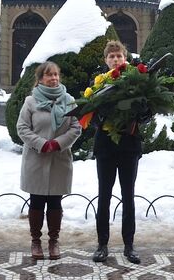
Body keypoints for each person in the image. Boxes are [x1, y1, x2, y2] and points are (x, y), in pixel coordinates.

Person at [16, 61, 81, 260]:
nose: (53, 78)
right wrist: (41, 144)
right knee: (36, 202)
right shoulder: (31, 102)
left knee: (55, 202)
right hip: (36, 159)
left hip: (59, 159)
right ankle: (35, 241)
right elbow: (22, 127)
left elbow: (76, 128)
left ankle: (54, 241)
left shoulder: (69, 100)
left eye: (56, 74)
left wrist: (58, 143)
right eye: (49, 75)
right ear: (40, 79)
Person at [92, 40, 142, 265]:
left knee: (128, 196)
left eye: (119, 56)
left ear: (125, 58)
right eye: (111, 56)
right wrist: (104, 116)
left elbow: (146, 112)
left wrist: (138, 114)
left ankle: (129, 245)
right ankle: (102, 244)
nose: (115, 59)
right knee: (104, 195)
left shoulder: (136, 81)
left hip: (129, 146)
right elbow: (90, 113)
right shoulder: (97, 84)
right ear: (106, 60)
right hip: (105, 146)